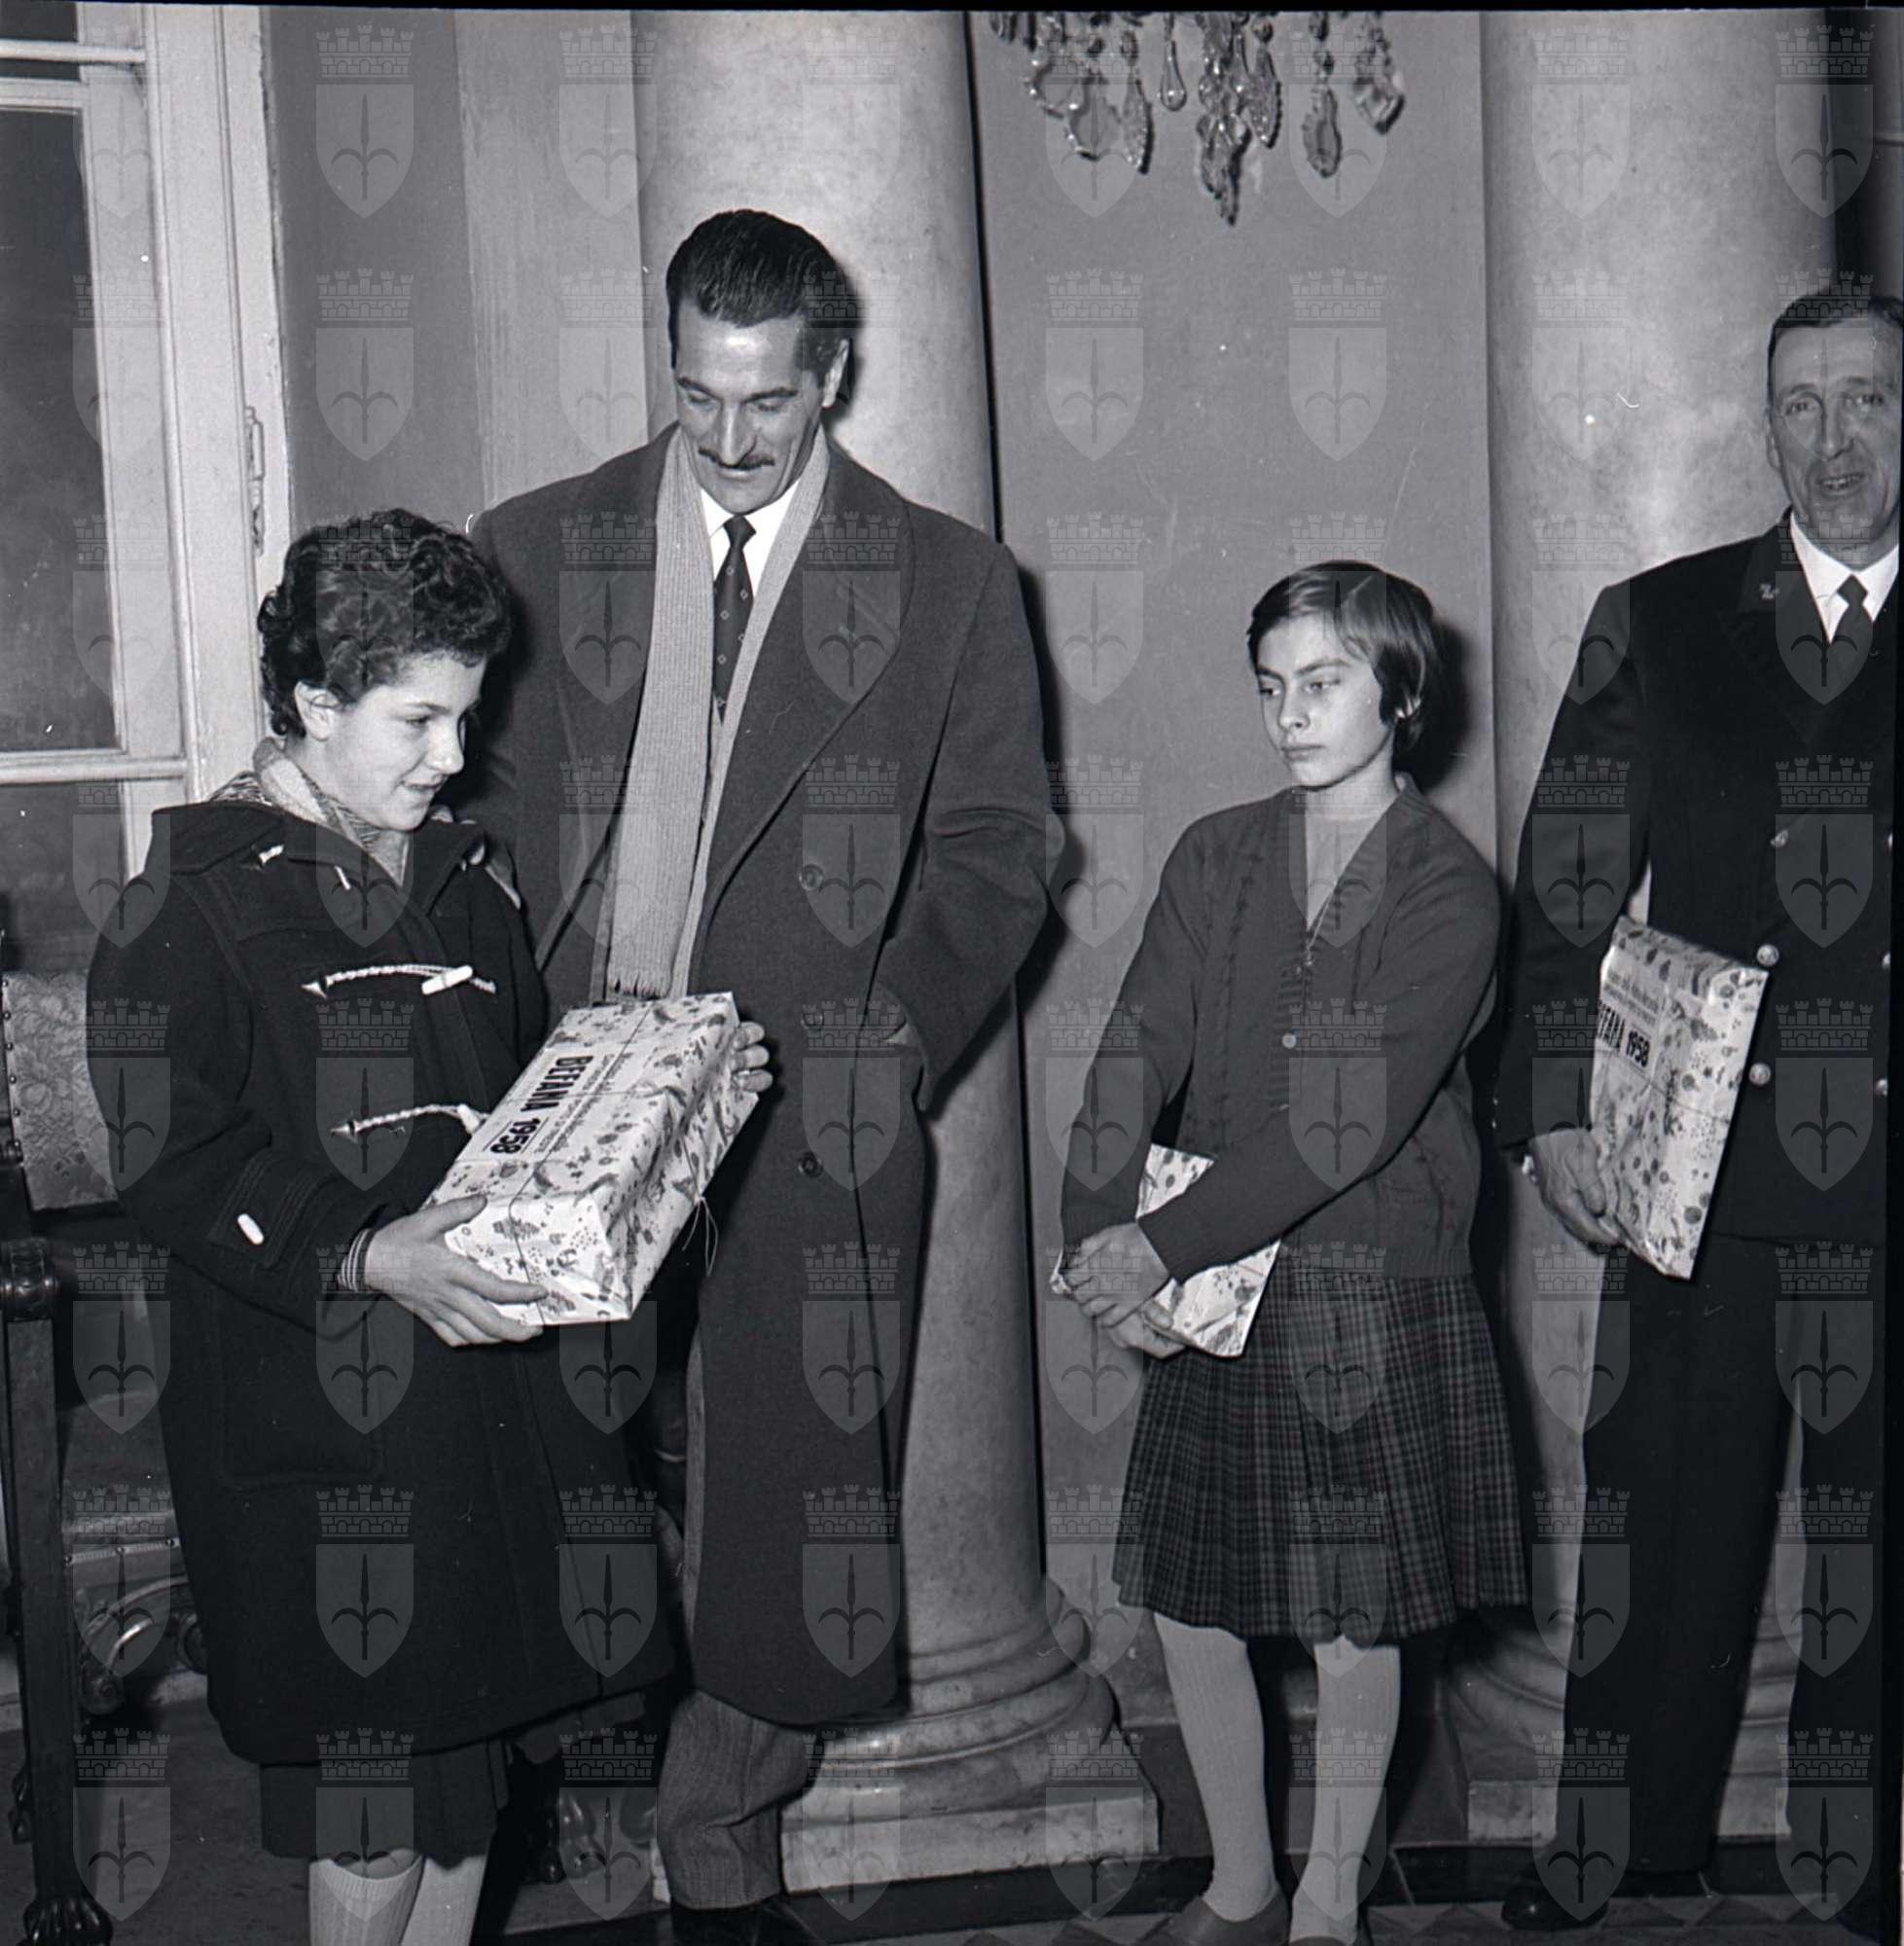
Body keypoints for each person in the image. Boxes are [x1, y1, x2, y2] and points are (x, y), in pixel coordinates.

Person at [462, 209, 1049, 1942]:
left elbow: (1001, 852)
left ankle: (720, 1844)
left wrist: (888, 1036)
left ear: (831, 375)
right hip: (564, 1110)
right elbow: (463, 822)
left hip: (813, 1112)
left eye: (768, 403)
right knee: (561, 1474)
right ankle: (565, 1804)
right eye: (698, 396)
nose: (729, 440)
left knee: (793, 1504)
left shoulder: (949, 580)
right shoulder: (531, 545)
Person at [87, 510, 769, 1946]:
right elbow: (168, 1155)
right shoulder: (187, 902)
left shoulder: (466, 879)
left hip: (489, 1415)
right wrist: (367, 1249)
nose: (453, 757)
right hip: (319, 1433)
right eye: (416, 720)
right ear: (313, 703)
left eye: (465, 716)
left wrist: (667, 1102)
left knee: (470, 1800)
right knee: (377, 1815)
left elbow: (516, 1122)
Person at [1493, 290, 1898, 1936]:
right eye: (1799, 405)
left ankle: (1856, 1873)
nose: (1832, 440)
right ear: (1763, 426)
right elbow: (1562, 895)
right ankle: (1614, 1849)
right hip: (1704, 1177)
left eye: (1867, 400)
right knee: (1658, 1520)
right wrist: (1554, 1113)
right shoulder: (1657, 622)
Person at [1060, 563, 1526, 1946]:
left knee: (1352, 1618)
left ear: (1401, 694)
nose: (1289, 716)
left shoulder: (1448, 889)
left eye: (1322, 683)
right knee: (1194, 1610)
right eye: (1271, 687)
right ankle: (1240, 1884)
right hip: (1219, 1284)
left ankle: (1326, 1910)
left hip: (1369, 1289)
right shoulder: (1216, 853)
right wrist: (1091, 1233)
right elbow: (1133, 1048)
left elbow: (1345, 1125)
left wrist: (1152, 1247)